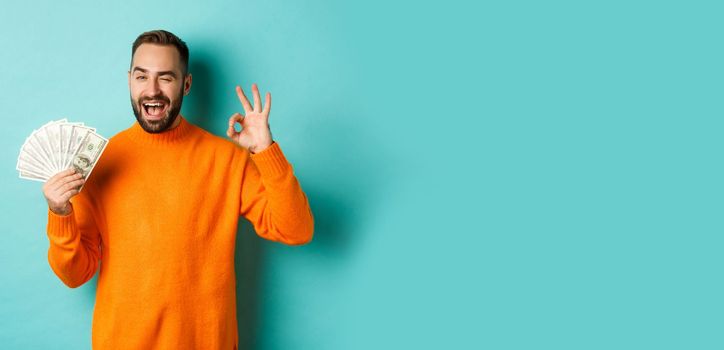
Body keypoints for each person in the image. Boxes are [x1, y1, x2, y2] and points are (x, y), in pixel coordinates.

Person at [41, 29, 314, 349]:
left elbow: (296, 229)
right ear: (129, 80)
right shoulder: (98, 161)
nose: (152, 90)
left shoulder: (227, 159)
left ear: (186, 84)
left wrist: (265, 152)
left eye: (166, 78)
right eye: (142, 77)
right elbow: (74, 275)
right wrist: (60, 214)